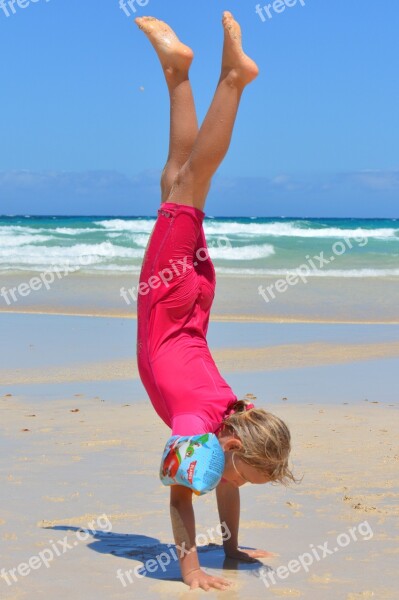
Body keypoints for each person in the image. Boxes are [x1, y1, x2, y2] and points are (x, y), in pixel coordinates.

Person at [135, 11, 295, 591]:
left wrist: (232, 550)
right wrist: (192, 570)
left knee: (175, 179)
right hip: (173, 297)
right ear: (232, 444)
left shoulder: (232, 418)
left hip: (191, 300)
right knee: (191, 183)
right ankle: (233, 79)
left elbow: (222, 486)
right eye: (250, 474)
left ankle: (177, 73)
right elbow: (182, 503)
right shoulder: (197, 430)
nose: (243, 483)